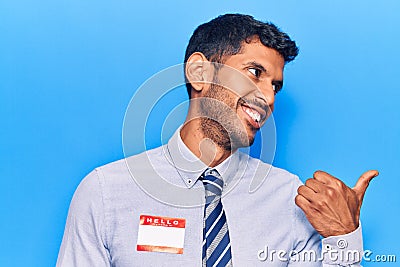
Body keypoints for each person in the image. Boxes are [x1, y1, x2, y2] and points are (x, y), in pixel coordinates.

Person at [56, 14, 378, 266]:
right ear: (199, 72)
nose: (267, 97)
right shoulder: (105, 193)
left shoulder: (291, 200)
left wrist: (343, 237)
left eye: (275, 86)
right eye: (254, 73)